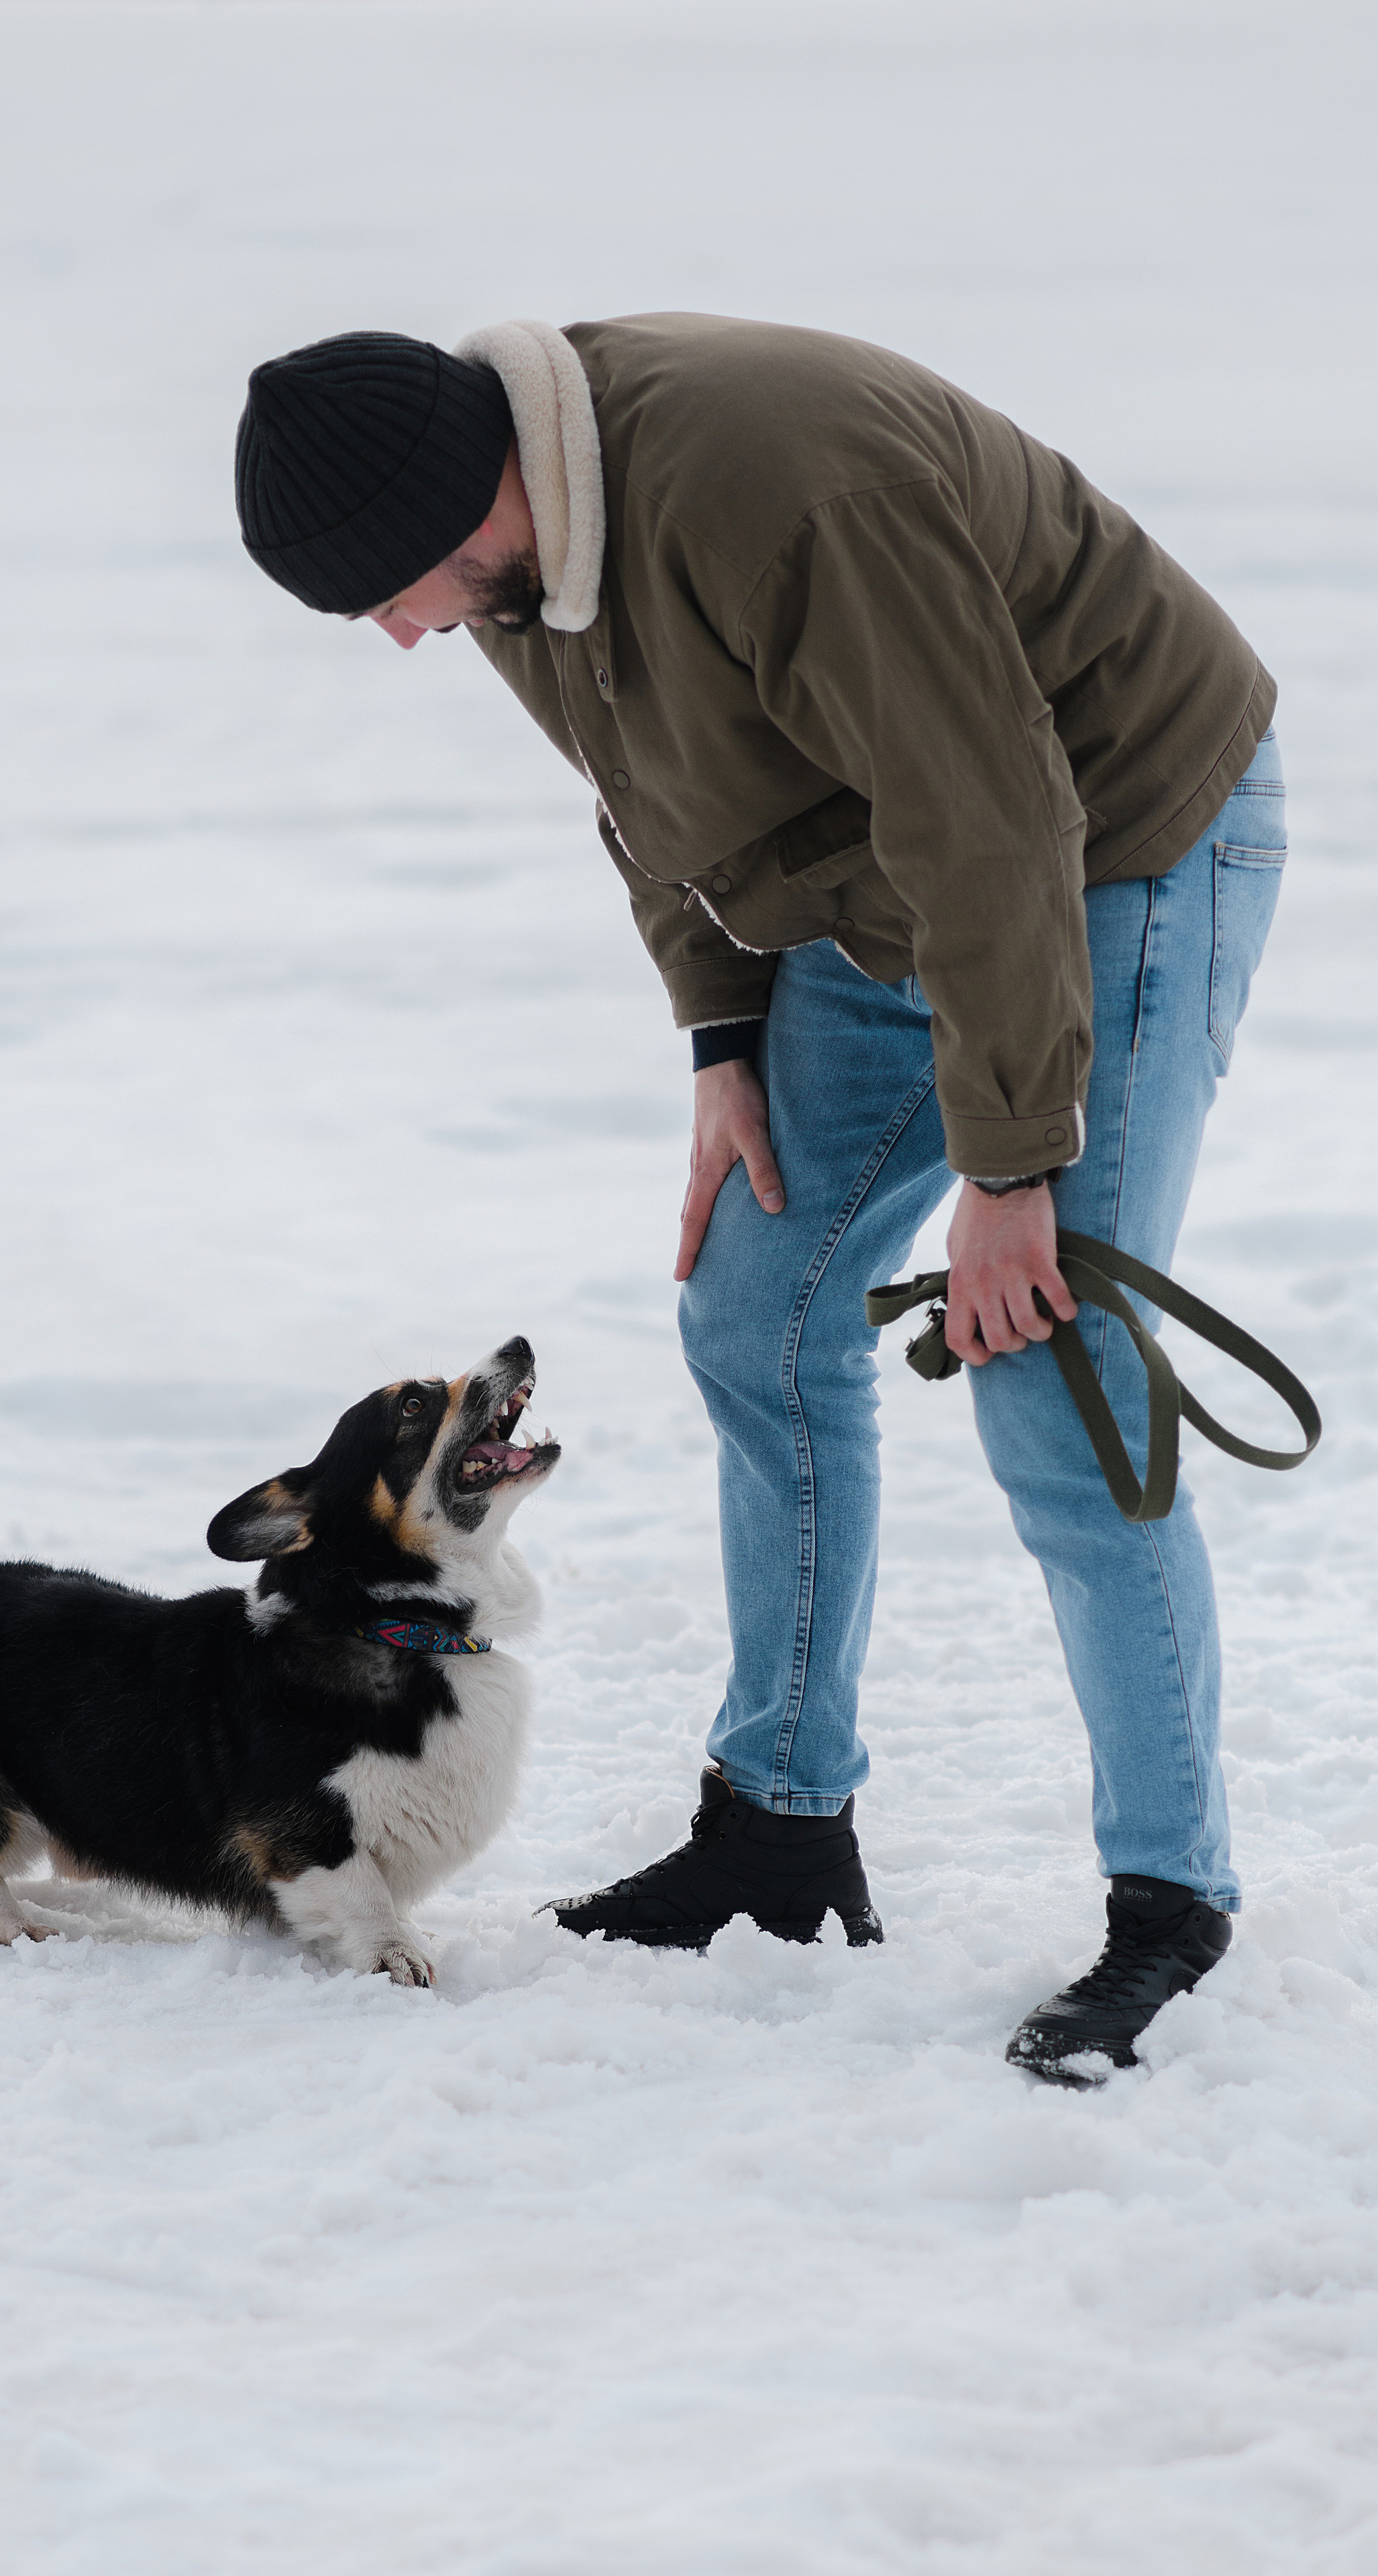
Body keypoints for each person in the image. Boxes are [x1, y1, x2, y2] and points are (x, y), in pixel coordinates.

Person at [233, 315, 1282, 2081]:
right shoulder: (521, 558)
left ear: (462, 497)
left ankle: (1174, 1899)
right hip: (872, 879)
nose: (405, 633)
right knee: (754, 1308)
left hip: (1110, 840)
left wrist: (1013, 1167)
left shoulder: (780, 491)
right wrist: (725, 1037)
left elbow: (994, 809)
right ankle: (781, 1831)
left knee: (1056, 1366)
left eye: (391, 593)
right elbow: (645, 794)